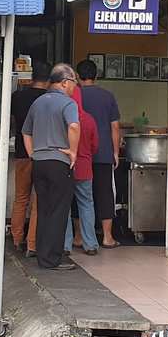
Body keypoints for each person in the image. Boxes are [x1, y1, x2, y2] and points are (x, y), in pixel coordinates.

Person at [21, 63, 81, 271]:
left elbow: (25, 132)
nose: (75, 87)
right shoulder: (68, 103)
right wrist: (73, 151)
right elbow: (73, 126)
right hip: (59, 161)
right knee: (58, 211)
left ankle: (42, 256)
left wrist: (32, 154)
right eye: (74, 82)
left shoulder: (38, 102)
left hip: (39, 163)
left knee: (44, 209)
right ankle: (52, 259)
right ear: (65, 82)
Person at [75, 59, 122, 249]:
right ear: (96, 75)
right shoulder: (107, 96)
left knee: (78, 194)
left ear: (77, 76)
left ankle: (78, 237)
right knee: (104, 193)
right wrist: (115, 152)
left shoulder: (75, 95)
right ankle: (107, 237)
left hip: (80, 152)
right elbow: (115, 126)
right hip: (103, 153)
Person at [10, 62, 50, 255]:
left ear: (33, 77)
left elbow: (10, 122)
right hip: (43, 154)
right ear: (49, 80)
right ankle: (32, 244)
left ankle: (17, 238)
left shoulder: (17, 96)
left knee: (21, 198)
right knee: (38, 200)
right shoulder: (50, 99)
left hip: (21, 153)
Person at [67, 86, 100, 256]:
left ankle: (65, 245)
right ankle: (91, 244)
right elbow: (95, 145)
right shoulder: (89, 119)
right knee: (86, 205)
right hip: (85, 168)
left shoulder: (64, 118)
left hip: (66, 167)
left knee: (64, 207)